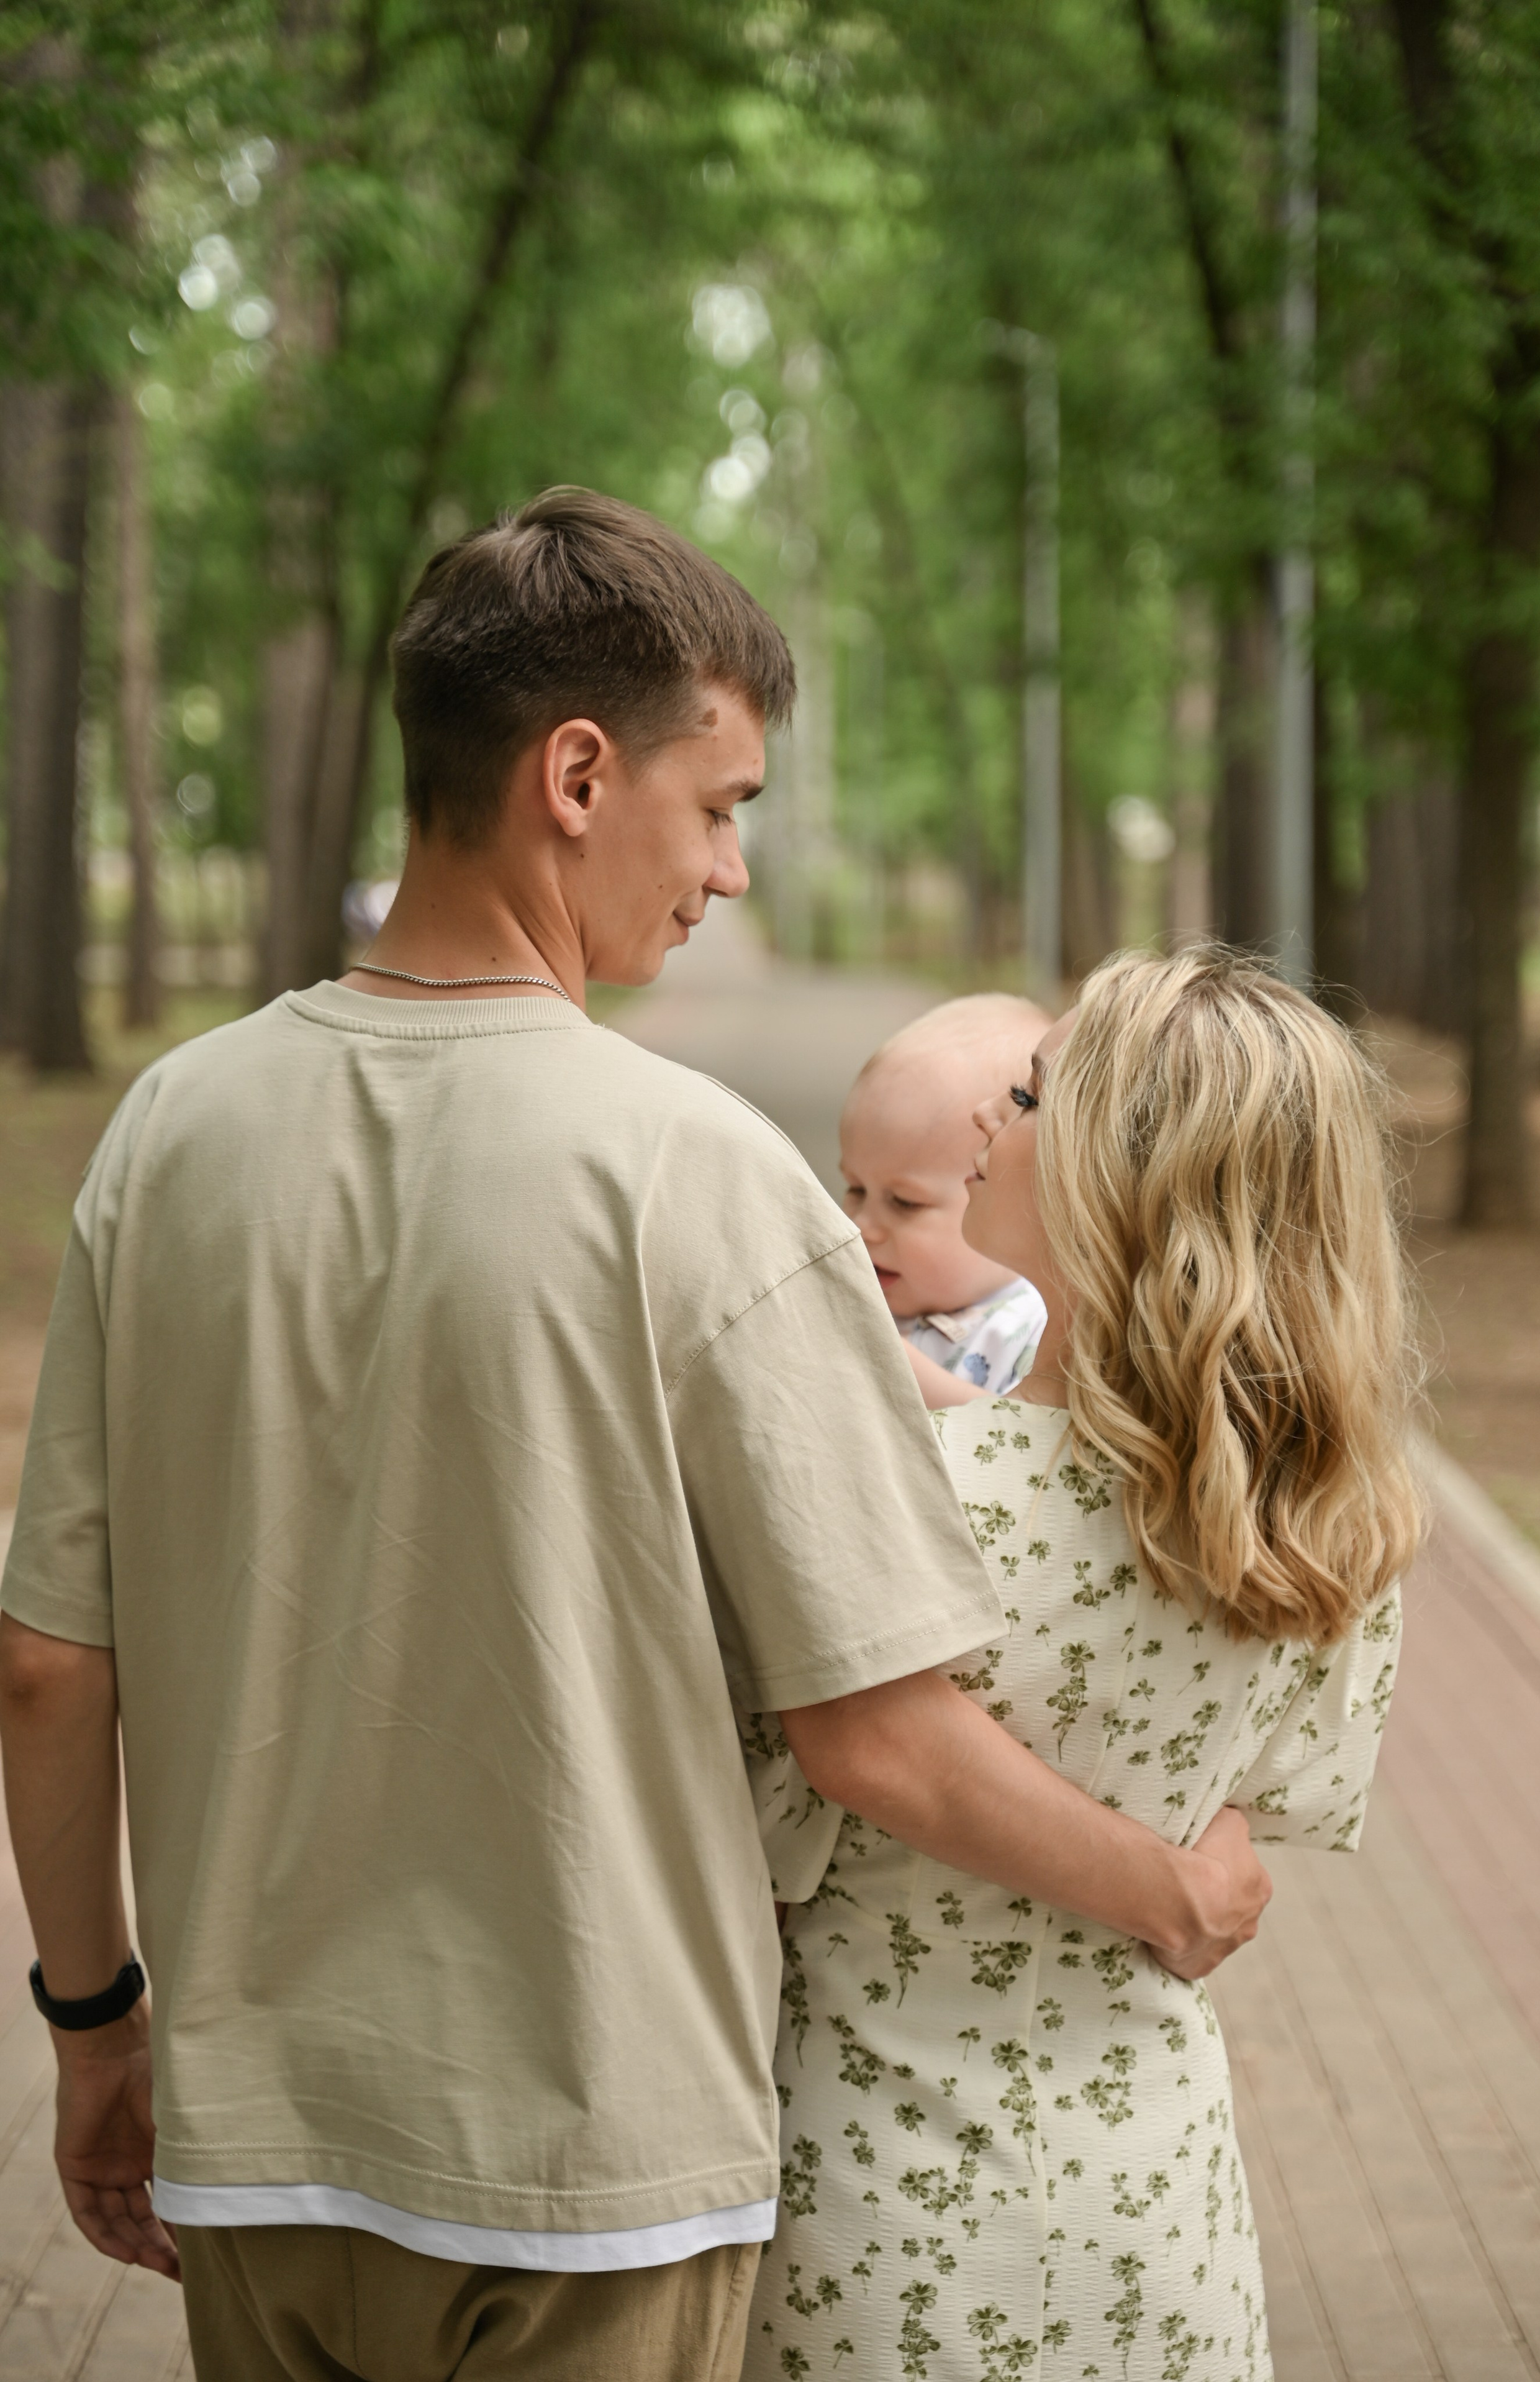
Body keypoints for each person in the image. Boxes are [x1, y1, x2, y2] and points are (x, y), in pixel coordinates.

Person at [0, 491, 1269, 2382]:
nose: (734, 871)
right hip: (598, 2181)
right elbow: (877, 1731)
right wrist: (1169, 1886)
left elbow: (43, 1668)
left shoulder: (165, 1139)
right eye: (724, 803)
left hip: (258, 2150)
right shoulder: (701, 1178)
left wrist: (97, 2031)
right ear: (577, 775)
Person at [746, 947, 1423, 2382]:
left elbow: (749, 1804)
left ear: (1113, 1179)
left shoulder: (904, 1483)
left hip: (876, 2201)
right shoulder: (1317, 1523)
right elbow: (1267, 1803)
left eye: (1034, 1093)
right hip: (1152, 2205)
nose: (991, 1115)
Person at [840, 996, 1051, 1407]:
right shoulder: (846, 1296)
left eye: (904, 1202)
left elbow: (1023, 1445)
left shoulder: (1031, 1327)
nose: (863, 1225)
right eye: (855, 1188)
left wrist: (897, 1366)